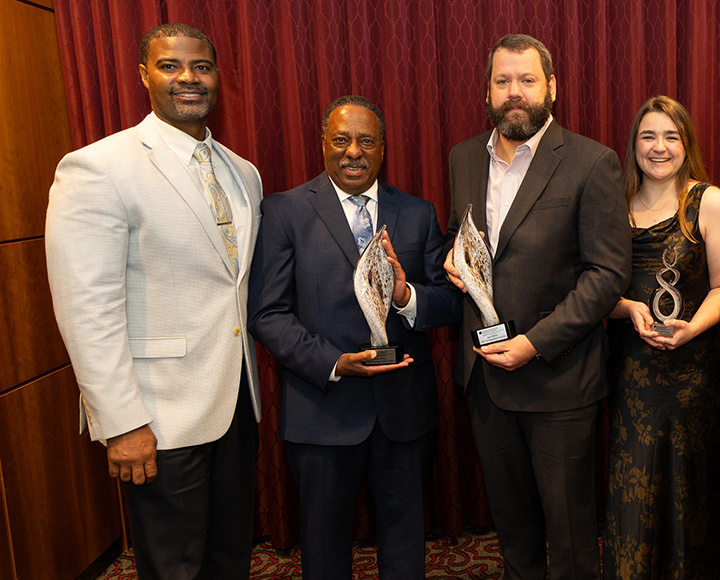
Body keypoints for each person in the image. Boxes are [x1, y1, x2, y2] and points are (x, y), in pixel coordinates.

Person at [44, 23, 262, 579]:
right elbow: (86, 307)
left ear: (217, 78)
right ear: (145, 75)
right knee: (173, 568)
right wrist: (120, 421)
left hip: (236, 406)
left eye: (202, 67)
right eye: (170, 66)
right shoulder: (98, 167)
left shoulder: (244, 173)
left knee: (230, 557)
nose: (188, 78)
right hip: (158, 418)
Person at [443, 34, 632, 580]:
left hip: (558, 382)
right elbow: (459, 237)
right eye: (503, 81)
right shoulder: (462, 157)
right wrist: (450, 260)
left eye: (527, 80)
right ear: (487, 92)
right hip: (485, 380)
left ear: (553, 87)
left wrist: (535, 343)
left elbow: (607, 274)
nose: (514, 92)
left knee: (571, 541)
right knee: (513, 532)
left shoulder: (592, 162)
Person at [248, 95, 460, 579]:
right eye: (341, 140)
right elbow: (269, 313)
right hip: (322, 413)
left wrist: (407, 296)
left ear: (383, 149)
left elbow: (449, 303)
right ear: (323, 145)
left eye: (366, 141)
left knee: (406, 545)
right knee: (324, 552)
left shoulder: (417, 213)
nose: (353, 152)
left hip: (403, 413)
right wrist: (333, 362)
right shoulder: (285, 212)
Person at [603, 96, 720, 579]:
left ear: (687, 144)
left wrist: (691, 330)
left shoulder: (710, 201)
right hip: (627, 372)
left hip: (691, 376)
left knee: (685, 487)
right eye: (648, 136)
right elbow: (593, 285)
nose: (659, 147)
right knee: (631, 487)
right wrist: (626, 307)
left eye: (671, 136)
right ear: (633, 145)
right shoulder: (612, 202)